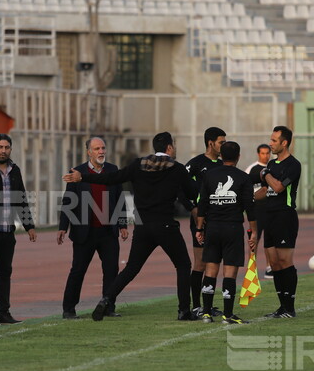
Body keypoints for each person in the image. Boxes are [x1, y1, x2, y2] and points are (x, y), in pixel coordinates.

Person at [63, 131, 198, 321]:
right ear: (169, 148)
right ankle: (184, 310)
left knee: (131, 268)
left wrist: (83, 177)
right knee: (183, 265)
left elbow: (112, 178)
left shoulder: (138, 165)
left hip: (143, 227)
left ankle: (106, 299)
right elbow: (193, 191)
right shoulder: (176, 168)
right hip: (165, 225)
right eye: (173, 145)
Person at [57, 137, 128, 319]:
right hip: (84, 232)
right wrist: (63, 227)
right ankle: (69, 309)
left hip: (108, 232)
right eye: (97, 149)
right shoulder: (77, 172)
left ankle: (108, 306)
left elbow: (119, 198)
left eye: (103, 148)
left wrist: (122, 224)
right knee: (78, 270)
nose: (101, 151)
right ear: (89, 152)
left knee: (111, 270)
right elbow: (68, 201)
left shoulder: (112, 170)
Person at [194, 141, 257, 325]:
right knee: (230, 271)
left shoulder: (209, 176)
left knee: (211, 270)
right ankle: (227, 315)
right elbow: (249, 207)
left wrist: (199, 228)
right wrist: (254, 231)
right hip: (232, 228)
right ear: (238, 157)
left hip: (212, 227)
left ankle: (206, 313)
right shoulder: (243, 178)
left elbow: (202, 204)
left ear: (221, 156)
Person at [0, 133, 36, 326]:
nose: (3, 151)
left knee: (5, 272)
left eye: (7, 147)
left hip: (7, 230)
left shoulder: (14, 170)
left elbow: (21, 199)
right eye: (0, 147)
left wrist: (29, 226)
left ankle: (3, 312)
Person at [254, 126, 302, 318]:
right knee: (273, 263)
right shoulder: (272, 166)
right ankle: (282, 306)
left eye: (274, 141)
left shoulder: (293, 165)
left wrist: (265, 174)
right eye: (271, 140)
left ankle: (290, 307)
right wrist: (246, 198)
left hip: (285, 216)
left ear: (284, 143)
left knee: (284, 261)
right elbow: (266, 191)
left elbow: (279, 187)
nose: (271, 143)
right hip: (269, 217)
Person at [185, 126, 225, 317]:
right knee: (200, 264)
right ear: (211, 143)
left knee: (214, 264)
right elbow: (179, 189)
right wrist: (192, 208)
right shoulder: (195, 164)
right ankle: (195, 306)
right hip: (201, 222)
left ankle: (208, 306)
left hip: (219, 221)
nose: (223, 146)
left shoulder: (225, 164)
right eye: (221, 142)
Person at [246, 143, 273, 279]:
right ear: (258, 154)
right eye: (263, 153)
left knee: (270, 239)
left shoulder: (272, 168)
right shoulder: (252, 169)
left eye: (267, 153)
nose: (265, 156)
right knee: (255, 238)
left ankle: (269, 267)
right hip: (256, 209)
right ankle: (252, 268)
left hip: (270, 209)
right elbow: (244, 188)